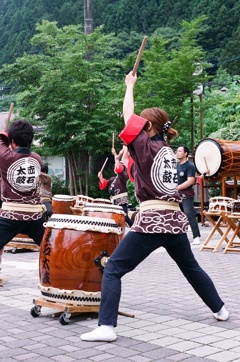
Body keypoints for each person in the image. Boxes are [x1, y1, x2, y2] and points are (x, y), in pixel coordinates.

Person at [80, 71, 229, 343]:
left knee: (113, 268)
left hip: (152, 221)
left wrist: (129, 86)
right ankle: (220, 309)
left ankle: (106, 327)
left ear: (146, 126)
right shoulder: (169, 151)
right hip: (174, 220)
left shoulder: (145, 147)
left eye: (140, 125)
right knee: (191, 268)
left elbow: (127, 117)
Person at [0, 119, 46, 280]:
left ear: (12, 141)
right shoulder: (37, 159)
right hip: (35, 217)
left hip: (10, 216)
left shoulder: (6, 157)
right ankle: (52, 276)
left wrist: (4, 135)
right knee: (49, 248)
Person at [97, 146, 133, 227]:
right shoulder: (113, 179)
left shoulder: (123, 176)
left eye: (116, 165)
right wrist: (101, 177)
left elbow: (119, 169)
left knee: (124, 216)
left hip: (121, 200)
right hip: (114, 201)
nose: (115, 167)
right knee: (115, 217)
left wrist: (116, 156)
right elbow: (104, 185)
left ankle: (134, 228)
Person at [176, 145, 201, 245]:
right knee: (177, 216)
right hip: (176, 195)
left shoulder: (189, 166)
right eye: (177, 151)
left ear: (185, 153)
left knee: (189, 214)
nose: (177, 152)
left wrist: (177, 188)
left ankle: (196, 237)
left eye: (179, 151)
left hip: (186, 194)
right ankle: (179, 238)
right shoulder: (177, 166)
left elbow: (190, 181)